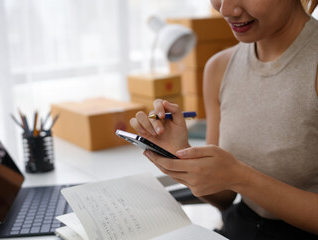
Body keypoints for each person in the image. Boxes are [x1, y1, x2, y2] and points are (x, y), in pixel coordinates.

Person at [129, 0, 318, 239]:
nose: (225, 10)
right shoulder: (219, 68)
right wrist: (180, 155)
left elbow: (235, 179)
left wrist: (241, 177)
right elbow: (224, 197)